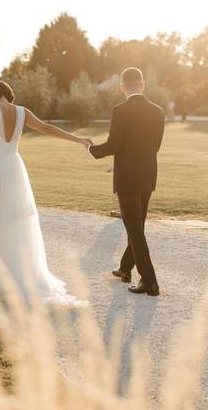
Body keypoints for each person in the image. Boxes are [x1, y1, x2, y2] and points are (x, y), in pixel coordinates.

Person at [0, 80, 89, 304]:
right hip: (15, 167)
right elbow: (47, 128)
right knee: (15, 219)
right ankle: (17, 274)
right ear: (8, 94)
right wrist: (78, 140)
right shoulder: (22, 111)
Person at [88, 67, 166, 296]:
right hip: (149, 173)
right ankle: (125, 269)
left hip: (128, 178)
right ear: (142, 84)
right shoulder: (158, 111)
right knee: (137, 225)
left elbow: (113, 146)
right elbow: (156, 146)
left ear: (122, 87)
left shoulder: (120, 110)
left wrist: (91, 149)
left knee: (134, 229)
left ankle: (149, 281)